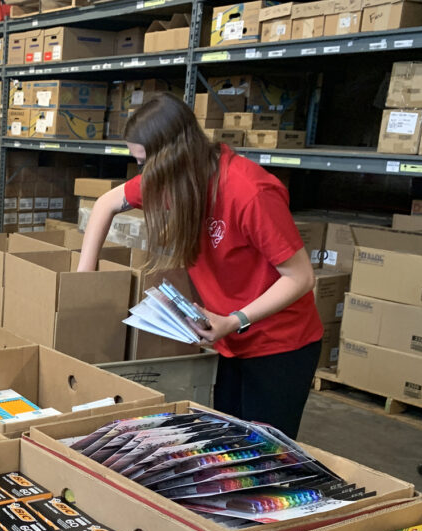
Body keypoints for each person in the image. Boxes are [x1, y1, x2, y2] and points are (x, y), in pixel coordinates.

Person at [77, 93, 321, 438]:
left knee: (266, 454)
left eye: (146, 162)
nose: (144, 173)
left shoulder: (250, 192)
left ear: (173, 156)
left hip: (278, 343)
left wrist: (235, 320)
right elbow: (105, 204)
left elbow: (300, 277)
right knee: (227, 443)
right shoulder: (174, 182)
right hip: (228, 338)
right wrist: (84, 280)